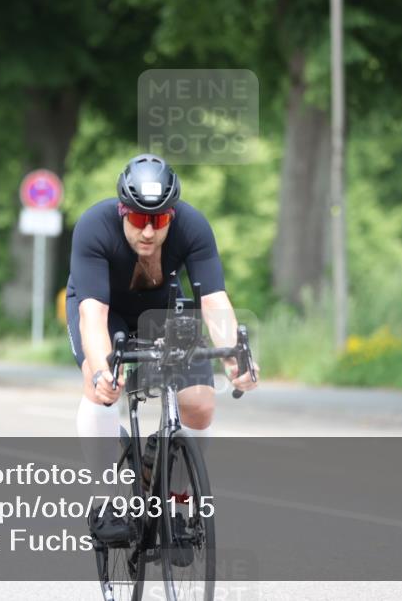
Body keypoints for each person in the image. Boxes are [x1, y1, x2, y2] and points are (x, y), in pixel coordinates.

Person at [66, 154, 259, 545]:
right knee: (101, 385)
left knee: (201, 404)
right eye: (139, 220)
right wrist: (104, 372)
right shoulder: (93, 226)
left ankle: (176, 495)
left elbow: (215, 301)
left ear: (173, 215)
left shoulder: (193, 226)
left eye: (160, 220)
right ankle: (104, 505)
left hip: (165, 312)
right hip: (107, 313)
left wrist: (233, 357)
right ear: (122, 211)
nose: (149, 231)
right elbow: (92, 316)